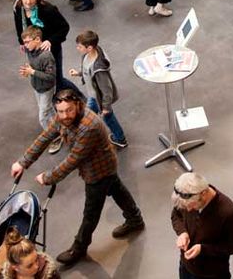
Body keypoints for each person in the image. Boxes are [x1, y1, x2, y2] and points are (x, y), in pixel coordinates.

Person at [10, 89, 145, 267]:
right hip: (101, 165)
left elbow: (72, 160)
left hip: (99, 170)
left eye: (69, 110)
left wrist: (48, 177)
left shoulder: (88, 126)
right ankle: (135, 219)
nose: (65, 115)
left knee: (91, 212)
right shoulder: (62, 117)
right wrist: (23, 162)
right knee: (116, 188)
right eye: (61, 111)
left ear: (78, 105)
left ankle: (79, 248)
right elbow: (45, 137)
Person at [171, 172, 233, 279]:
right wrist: (182, 232)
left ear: (203, 194)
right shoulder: (187, 199)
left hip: (212, 274)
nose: (188, 210)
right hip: (186, 267)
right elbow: (176, 214)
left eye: (191, 206)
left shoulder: (228, 212)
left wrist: (203, 249)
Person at [69, 30, 127, 148]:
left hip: (98, 99)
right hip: (93, 95)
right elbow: (87, 72)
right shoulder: (87, 55)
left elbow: (107, 90)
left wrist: (106, 107)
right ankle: (116, 137)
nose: (77, 48)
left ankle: (120, 139)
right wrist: (79, 73)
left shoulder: (99, 69)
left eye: (79, 46)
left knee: (106, 118)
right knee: (89, 116)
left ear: (89, 48)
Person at [13, 0, 71, 89]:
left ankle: (77, 98)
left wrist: (50, 41)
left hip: (51, 50)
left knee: (57, 79)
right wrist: (21, 42)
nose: (28, 2)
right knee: (40, 75)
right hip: (33, 51)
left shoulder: (48, 10)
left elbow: (64, 27)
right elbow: (19, 26)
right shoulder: (18, 8)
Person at [18, 25, 62, 154]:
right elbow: (33, 67)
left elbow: (51, 77)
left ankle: (55, 137)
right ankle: (60, 126)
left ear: (37, 39)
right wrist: (29, 71)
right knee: (49, 111)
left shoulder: (47, 56)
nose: (25, 45)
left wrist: (32, 72)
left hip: (46, 89)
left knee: (43, 116)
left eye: (27, 42)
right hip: (37, 87)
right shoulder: (30, 51)